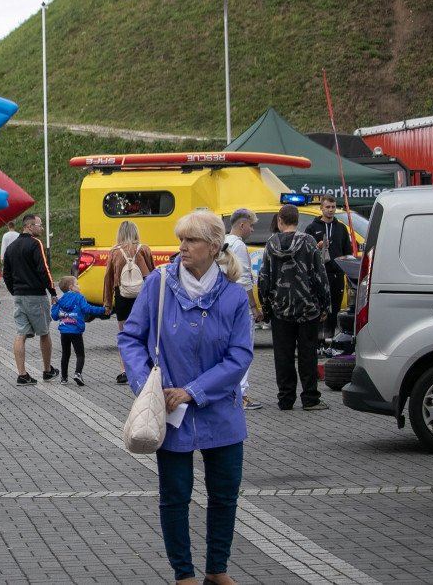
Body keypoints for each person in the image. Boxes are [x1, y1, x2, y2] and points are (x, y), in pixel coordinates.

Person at [119, 210, 253, 585]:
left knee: (224, 496)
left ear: (213, 247)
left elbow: (240, 356)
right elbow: (131, 338)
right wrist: (147, 386)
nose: (182, 247)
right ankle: (184, 574)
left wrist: (194, 392)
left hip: (220, 411)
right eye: (181, 239)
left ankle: (216, 569)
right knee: (175, 496)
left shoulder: (233, 296)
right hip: (168, 413)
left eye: (191, 240)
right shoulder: (158, 284)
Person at [258, 204, 331, 411]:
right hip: (307, 308)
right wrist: (325, 304)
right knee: (308, 353)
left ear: (280, 220)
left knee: (283, 355)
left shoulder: (271, 244)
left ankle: (285, 398)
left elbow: (264, 278)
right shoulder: (308, 242)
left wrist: (265, 307)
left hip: (280, 309)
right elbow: (320, 275)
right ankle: (310, 398)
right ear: (297, 221)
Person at [2, 213, 58, 385]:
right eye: (40, 225)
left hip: (19, 295)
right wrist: (52, 291)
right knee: (44, 331)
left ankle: (22, 374)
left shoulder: (11, 248)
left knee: (21, 333)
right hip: (36, 295)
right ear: (29, 226)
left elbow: (6, 274)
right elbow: (44, 269)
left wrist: (14, 291)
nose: (42, 228)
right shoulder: (35, 244)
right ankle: (47, 370)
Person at [102, 220, 155, 384]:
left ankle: (124, 370)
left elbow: (108, 278)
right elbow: (153, 275)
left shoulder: (114, 252)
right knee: (145, 333)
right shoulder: (144, 249)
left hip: (122, 295)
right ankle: (146, 367)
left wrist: (107, 302)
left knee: (124, 334)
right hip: (143, 295)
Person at [224, 208, 264, 410]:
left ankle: (230, 392)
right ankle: (242, 394)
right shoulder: (238, 246)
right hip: (240, 307)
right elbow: (244, 280)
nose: (253, 229)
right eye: (251, 225)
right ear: (242, 225)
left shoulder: (223, 242)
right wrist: (254, 308)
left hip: (226, 306)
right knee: (244, 349)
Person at [303, 195, 353, 340]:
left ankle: (329, 338)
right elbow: (305, 251)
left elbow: (347, 252)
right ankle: (317, 340)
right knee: (319, 307)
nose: (331, 210)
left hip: (336, 274)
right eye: (327, 207)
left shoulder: (341, 228)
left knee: (334, 308)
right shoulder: (312, 228)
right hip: (318, 274)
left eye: (333, 207)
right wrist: (316, 246)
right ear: (321, 208)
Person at [51, 276, 105, 386]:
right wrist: (103, 310)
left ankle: (64, 377)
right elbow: (88, 309)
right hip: (76, 331)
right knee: (80, 354)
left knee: (65, 354)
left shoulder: (61, 300)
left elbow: (55, 316)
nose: (79, 286)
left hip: (64, 332)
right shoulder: (80, 298)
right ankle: (78, 373)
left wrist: (54, 305)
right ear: (71, 287)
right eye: (77, 284)